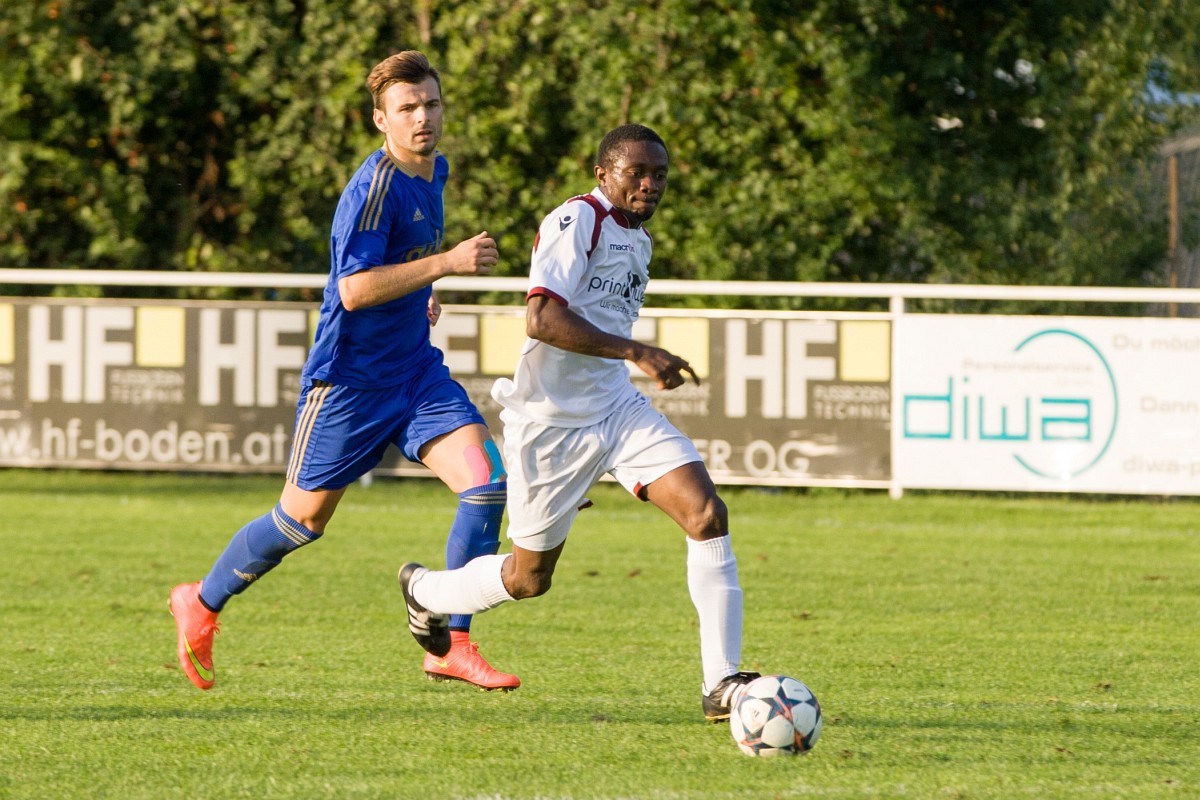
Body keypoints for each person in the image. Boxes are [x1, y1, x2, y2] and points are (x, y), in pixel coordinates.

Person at [170, 50, 519, 692]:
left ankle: (452, 644)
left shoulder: (434, 170)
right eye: (407, 108)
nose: (422, 117)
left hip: (414, 374)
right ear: (380, 120)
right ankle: (201, 600)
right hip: (350, 385)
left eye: (431, 104)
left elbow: (396, 265)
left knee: (486, 483)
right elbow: (354, 290)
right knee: (300, 522)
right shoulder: (373, 189)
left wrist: (420, 293)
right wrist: (444, 264)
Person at [397, 123, 759, 722]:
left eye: (659, 174)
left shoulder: (638, 238)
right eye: (636, 172)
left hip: (616, 409)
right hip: (550, 425)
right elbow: (541, 319)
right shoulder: (577, 220)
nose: (649, 184)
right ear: (602, 174)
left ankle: (720, 683)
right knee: (529, 578)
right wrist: (637, 351)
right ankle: (425, 590)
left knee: (706, 514)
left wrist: (628, 361)